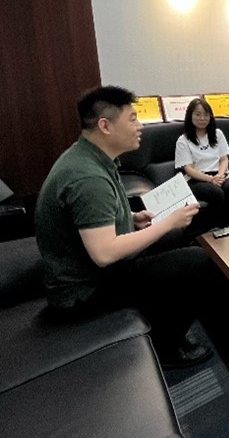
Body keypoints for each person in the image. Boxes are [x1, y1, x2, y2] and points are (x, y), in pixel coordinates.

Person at [34, 86, 211, 368]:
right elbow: (104, 253)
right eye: (132, 119)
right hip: (84, 292)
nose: (140, 126)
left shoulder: (91, 157)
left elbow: (92, 215)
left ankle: (161, 317)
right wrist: (168, 221)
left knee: (173, 237)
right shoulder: (87, 177)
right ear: (105, 126)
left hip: (94, 271)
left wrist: (131, 216)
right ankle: (167, 348)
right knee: (198, 261)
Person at [175, 98, 229, 229]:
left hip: (219, 174)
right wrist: (210, 179)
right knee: (216, 193)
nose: (202, 118)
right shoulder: (183, 140)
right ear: (190, 116)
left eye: (206, 115)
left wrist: (220, 175)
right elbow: (189, 169)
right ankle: (216, 230)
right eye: (198, 114)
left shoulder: (218, 134)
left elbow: (224, 159)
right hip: (197, 179)